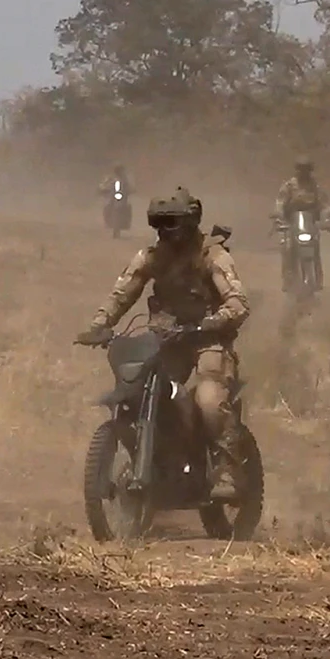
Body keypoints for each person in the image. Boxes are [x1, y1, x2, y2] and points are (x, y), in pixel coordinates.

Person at [74, 187, 251, 499]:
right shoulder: (151, 257)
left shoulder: (213, 256)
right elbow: (122, 293)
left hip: (207, 341)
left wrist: (208, 323)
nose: (166, 234)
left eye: (172, 225)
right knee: (139, 391)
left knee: (209, 400)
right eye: (160, 226)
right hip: (165, 340)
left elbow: (237, 303)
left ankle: (226, 472)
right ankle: (159, 463)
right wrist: (99, 325)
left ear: (190, 223)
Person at [273, 157, 330, 290]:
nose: (304, 173)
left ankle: (318, 279)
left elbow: (323, 204)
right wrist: (279, 217)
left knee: (315, 249)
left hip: (310, 225)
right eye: (301, 170)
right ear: (297, 171)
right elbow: (280, 203)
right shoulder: (289, 186)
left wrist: (327, 219)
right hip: (292, 225)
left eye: (306, 170)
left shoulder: (314, 187)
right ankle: (287, 280)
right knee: (288, 248)